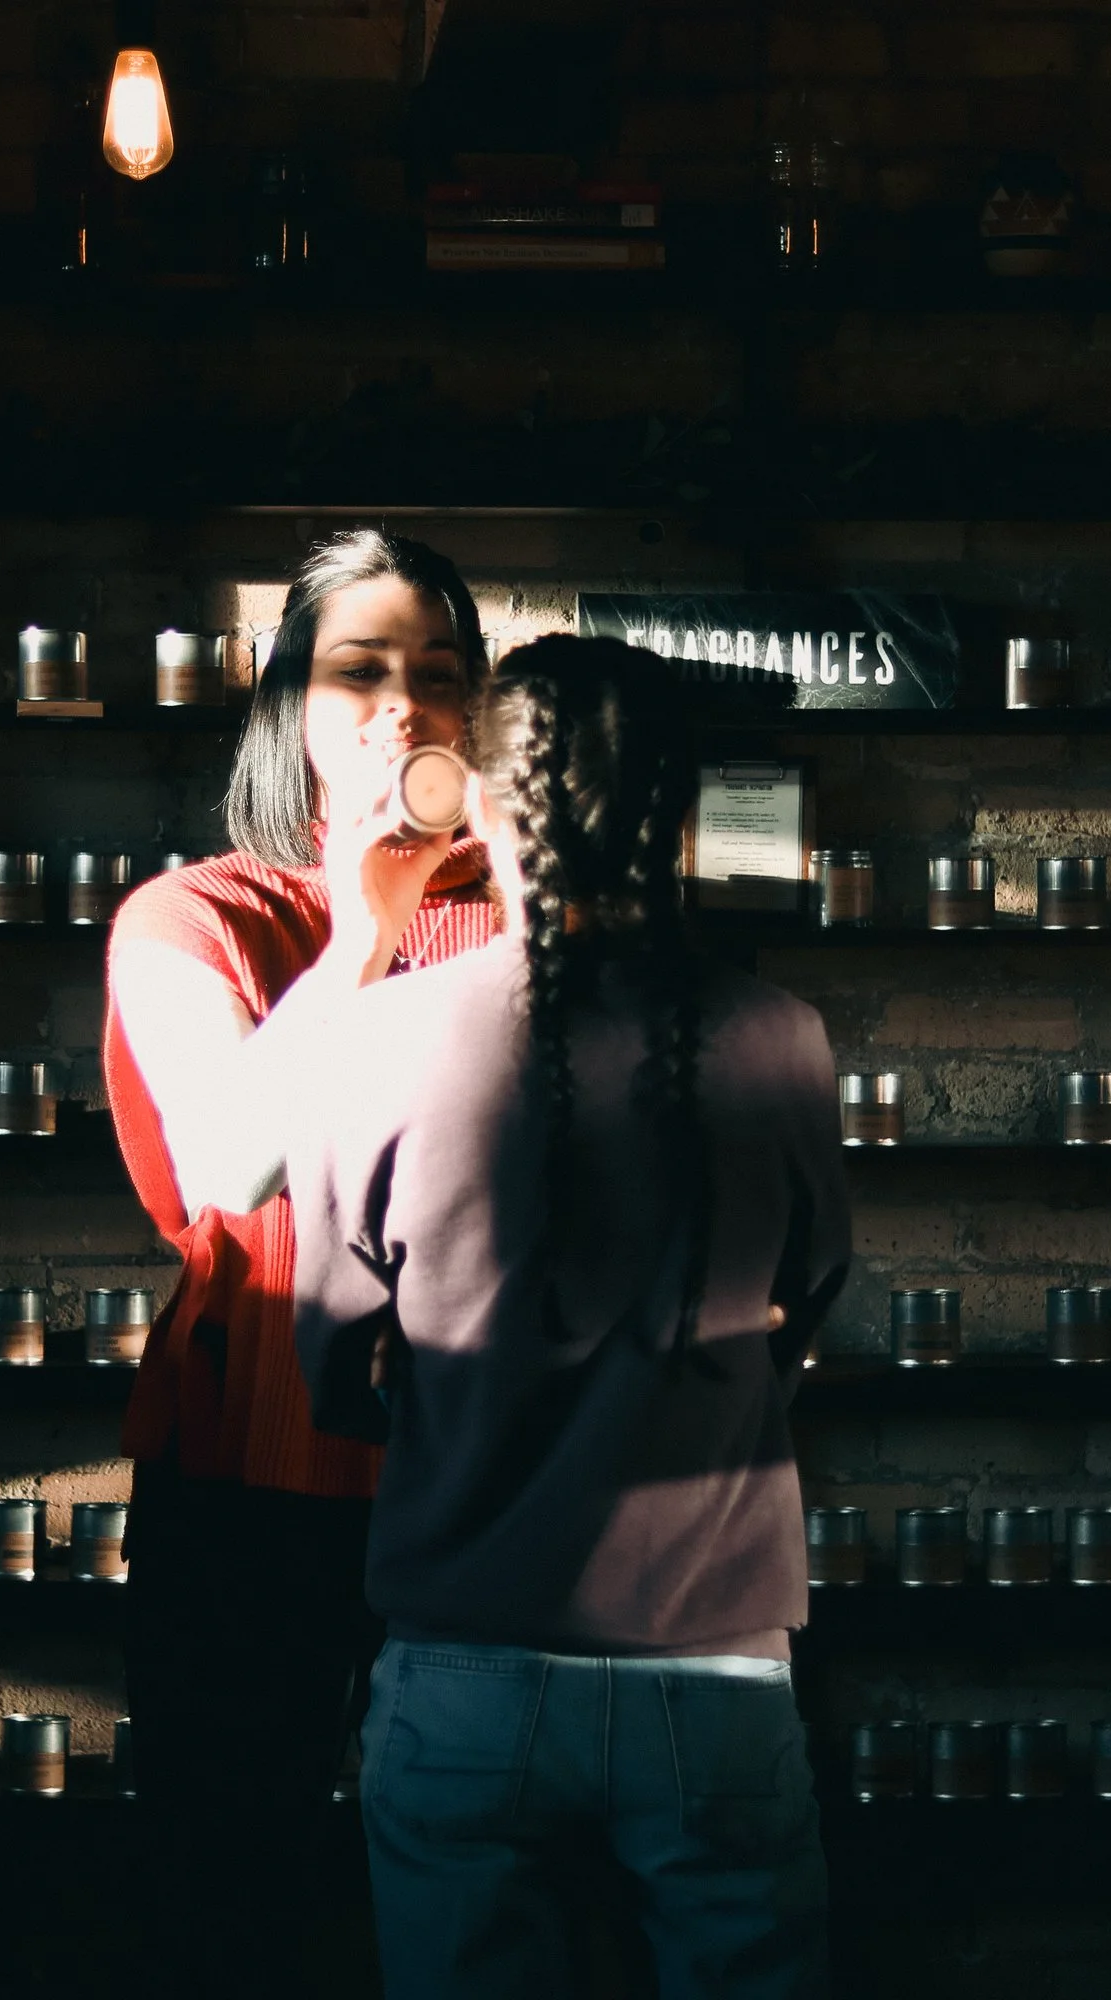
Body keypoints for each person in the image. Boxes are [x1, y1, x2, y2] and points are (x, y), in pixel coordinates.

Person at [289, 635, 850, 1999]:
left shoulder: (377, 1043)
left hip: (465, 1658)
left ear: (478, 802)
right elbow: (804, 1316)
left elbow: (332, 1372)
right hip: (711, 1669)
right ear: (683, 820)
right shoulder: (781, 1036)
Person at [102, 529, 500, 1998]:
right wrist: (362, 936)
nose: (405, 706)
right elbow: (229, 1164)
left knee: (475, 1894)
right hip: (253, 1472)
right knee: (231, 1883)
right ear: (288, 709)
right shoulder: (195, 917)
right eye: (360, 670)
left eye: (440, 675)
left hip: (485, 1478)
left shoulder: (531, 918)